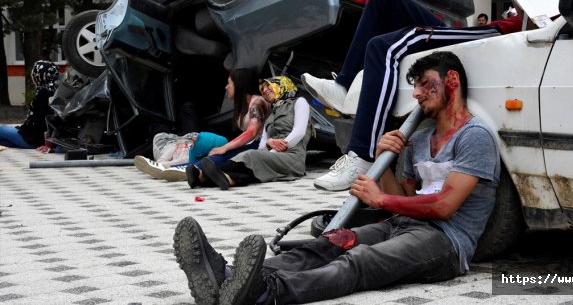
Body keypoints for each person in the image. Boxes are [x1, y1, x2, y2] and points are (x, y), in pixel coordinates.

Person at [172, 51, 500, 304]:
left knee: (360, 261)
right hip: (402, 225)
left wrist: (380, 197)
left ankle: (265, 292)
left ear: (452, 81)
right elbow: (405, 202)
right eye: (414, 86)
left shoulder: (473, 137)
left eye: (424, 84)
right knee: (327, 244)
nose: (416, 94)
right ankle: (226, 277)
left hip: (446, 242)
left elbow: (444, 206)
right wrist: (384, 163)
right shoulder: (420, 138)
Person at [301, 0, 519, 191]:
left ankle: (363, 155)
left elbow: (538, 16)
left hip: (497, 32)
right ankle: (343, 86)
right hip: (494, 27)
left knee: (383, 47)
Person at [134, 68, 270, 182]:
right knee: (213, 152)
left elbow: (252, 132)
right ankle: (170, 167)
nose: (226, 87)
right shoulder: (243, 105)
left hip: (259, 146)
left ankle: (184, 169)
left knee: (221, 155)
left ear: (239, 85)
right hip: (251, 144)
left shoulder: (257, 103)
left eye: (229, 83)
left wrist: (225, 147)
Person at [187, 75, 314, 190]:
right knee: (250, 171)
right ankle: (219, 179)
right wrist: (269, 143)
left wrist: (276, 150)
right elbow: (262, 145)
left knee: (251, 155)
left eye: (269, 85)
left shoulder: (299, 102)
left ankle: (203, 173)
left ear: (283, 84)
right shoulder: (272, 113)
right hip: (272, 156)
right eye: (263, 88)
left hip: (292, 158)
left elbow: (299, 132)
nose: (264, 90)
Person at [0, 60, 60, 153]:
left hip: (34, 140)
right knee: (4, 140)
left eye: (33, 73)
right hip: (35, 138)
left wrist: (47, 145)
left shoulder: (44, 94)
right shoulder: (57, 91)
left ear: (39, 75)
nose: (32, 76)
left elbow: (45, 122)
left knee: (1, 129)